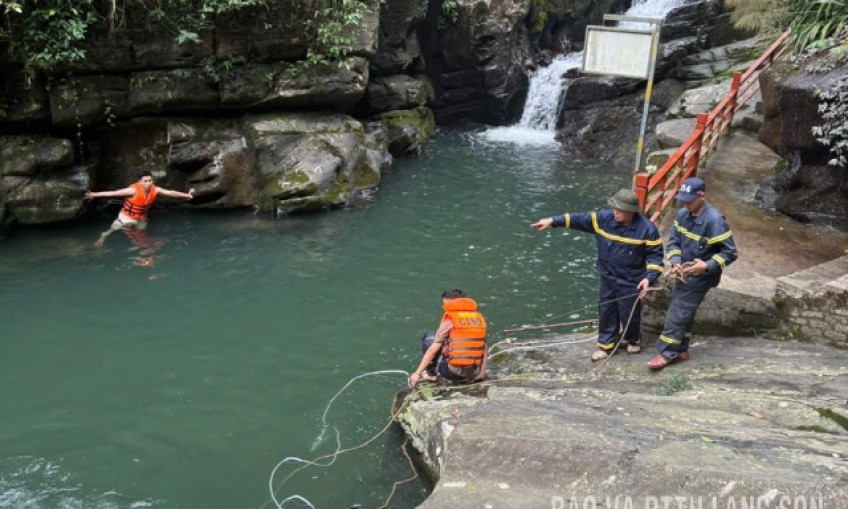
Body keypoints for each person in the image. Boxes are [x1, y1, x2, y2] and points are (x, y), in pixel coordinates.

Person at [531, 189, 664, 361]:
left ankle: (632, 339)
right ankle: (605, 345)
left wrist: (648, 278)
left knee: (629, 312)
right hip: (608, 276)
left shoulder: (647, 230)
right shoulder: (603, 219)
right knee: (606, 310)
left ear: (631, 211)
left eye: (619, 210)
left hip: (631, 280)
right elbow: (579, 219)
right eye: (614, 208)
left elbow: (655, 257)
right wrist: (552, 221)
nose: (615, 212)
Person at [647, 177, 738, 371]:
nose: (686, 204)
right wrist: (676, 262)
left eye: (689, 201)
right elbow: (673, 242)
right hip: (684, 273)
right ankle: (681, 350)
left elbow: (730, 253)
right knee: (684, 310)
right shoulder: (682, 215)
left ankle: (666, 353)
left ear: (701, 197)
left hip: (701, 276)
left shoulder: (714, 221)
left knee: (677, 312)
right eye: (683, 200)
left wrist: (706, 265)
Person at [85, 170, 195, 247]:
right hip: (127, 217)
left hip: (141, 217)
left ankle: (138, 245)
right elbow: (113, 193)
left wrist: (187, 195)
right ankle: (102, 237)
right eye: (145, 181)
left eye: (150, 180)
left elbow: (171, 193)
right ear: (140, 182)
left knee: (141, 234)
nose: (148, 183)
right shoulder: (132, 190)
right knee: (113, 230)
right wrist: (94, 194)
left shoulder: (155, 189)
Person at [408, 288, 487, 388]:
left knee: (428, 337)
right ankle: (471, 373)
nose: (444, 307)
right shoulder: (478, 318)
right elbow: (483, 347)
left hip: (451, 373)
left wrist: (417, 373)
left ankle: (432, 375)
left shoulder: (450, 319)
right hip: (472, 371)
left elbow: (432, 350)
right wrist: (481, 374)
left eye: (445, 304)